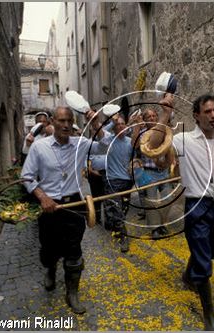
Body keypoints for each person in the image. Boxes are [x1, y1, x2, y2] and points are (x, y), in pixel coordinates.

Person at [148, 93, 214, 330]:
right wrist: (165, 114)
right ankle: (209, 315)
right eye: (207, 111)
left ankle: (189, 276)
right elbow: (155, 149)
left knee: (207, 252)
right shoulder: (183, 140)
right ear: (196, 115)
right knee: (201, 255)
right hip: (196, 206)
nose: (213, 115)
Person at [20, 106, 105, 314]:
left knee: (74, 251)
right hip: (49, 207)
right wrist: (43, 197)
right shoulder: (40, 147)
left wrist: (95, 122)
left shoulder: (81, 144)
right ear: (52, 123)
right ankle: (50, 267)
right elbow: (26, 177)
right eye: (61, 121)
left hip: (74, 205)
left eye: (69, 121)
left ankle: (72, 293)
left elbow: (106, 144)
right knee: (48, 249)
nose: (66, 125)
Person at [130, 108, 175, 239]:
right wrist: (137, 127)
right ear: (144, 119)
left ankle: (163, 225)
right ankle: (155, 228)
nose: (152, 118)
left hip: (164, 171)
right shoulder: (143, 133)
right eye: (149, 116)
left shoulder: (164, 131)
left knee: (168, 199)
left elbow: (171, 148)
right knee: (152, 201)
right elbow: (134, 145)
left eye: (154, 115)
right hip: (149, 172)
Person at [100, 115, 134, 253]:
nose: (121, 126)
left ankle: (113, 222)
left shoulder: (131, 142)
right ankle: (123, 237)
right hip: (112, 180)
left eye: (122, 124)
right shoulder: (109, 141)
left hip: (127, 181)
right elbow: (99, 133)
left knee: (124, 208)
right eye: (117, 124)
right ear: (113, 128)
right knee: (117, 209)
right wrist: (111, 123)